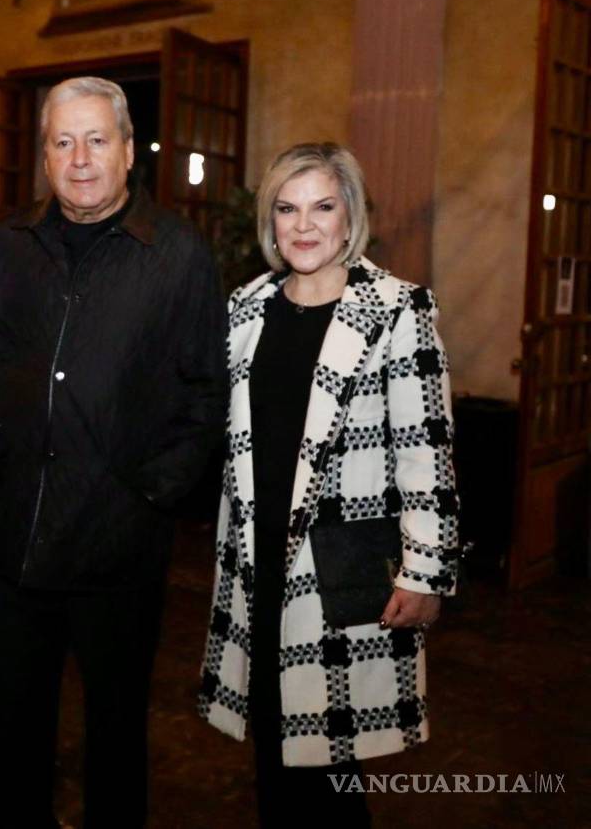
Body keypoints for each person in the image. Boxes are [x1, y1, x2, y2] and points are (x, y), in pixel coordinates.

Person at [0, 76, 228, 828]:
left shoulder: (178, 254)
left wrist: (149, 495)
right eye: (62, 141)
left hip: (119, 547)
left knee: (116, 735)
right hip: (16, 534)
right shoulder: (8, 246)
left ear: (126, 151)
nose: (79, 158)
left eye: (96, 140)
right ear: (44, 156)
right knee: (14, 728)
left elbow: (207, 392)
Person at [197, 143, 460, 827]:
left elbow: (425, 451)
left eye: (322, 207)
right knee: (274, 752)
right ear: (270, 222)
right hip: (257, 567)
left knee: (328, 767)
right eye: (287, 208)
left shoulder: (397, 309)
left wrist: (425, 573)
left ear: (350, 218)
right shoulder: (245, 308)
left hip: (339, 570)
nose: (304, 225)